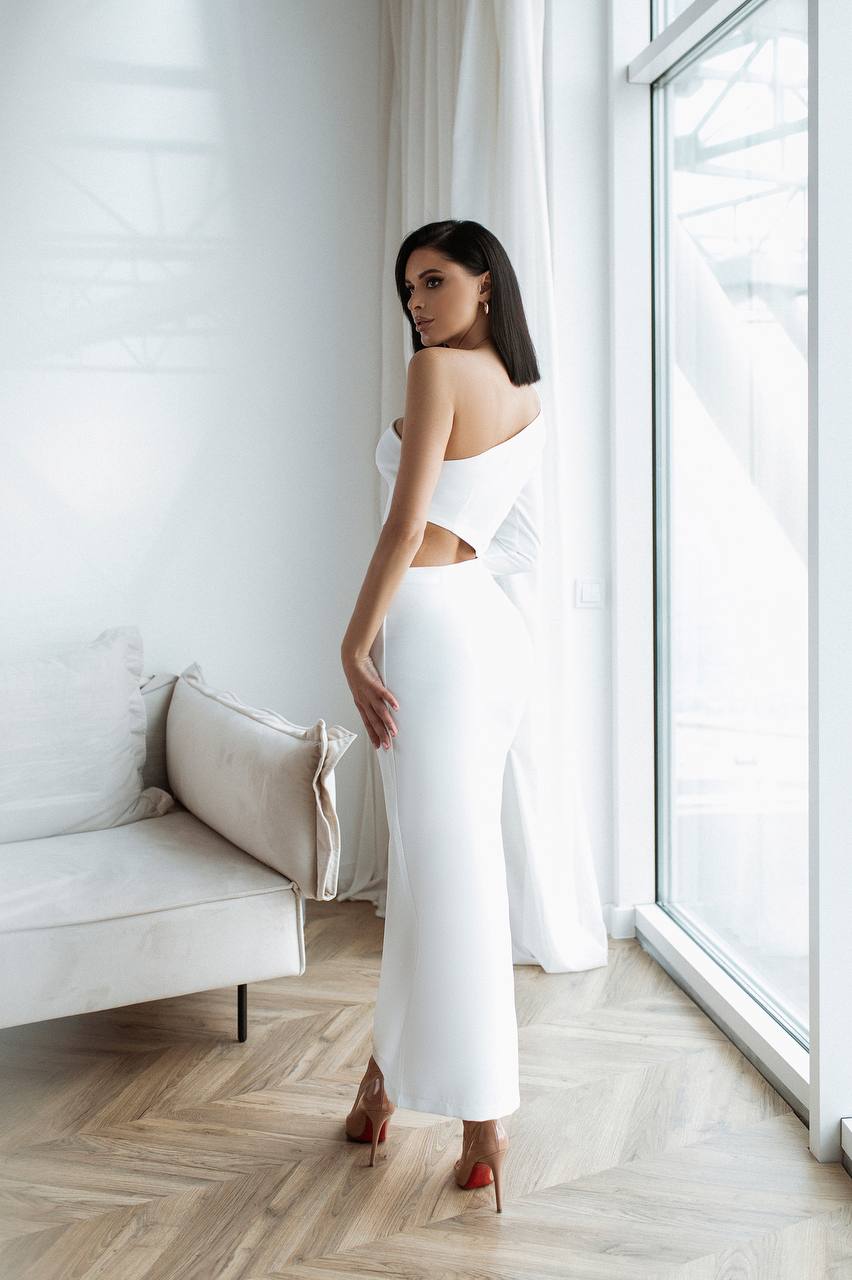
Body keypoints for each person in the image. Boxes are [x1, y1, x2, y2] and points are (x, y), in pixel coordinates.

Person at [339, 219, 544, 1214]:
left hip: (427, 630)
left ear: (484, 283)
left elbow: (406, 523)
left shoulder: (436, 373)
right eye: (408, 287)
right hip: (488, 630)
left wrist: (354, 645)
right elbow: (512, 537)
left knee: (445, 877)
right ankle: (383, 1082)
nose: (415, 303)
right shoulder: (525, 391)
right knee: (440, 871)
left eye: (433, 281)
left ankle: (484, 1118)